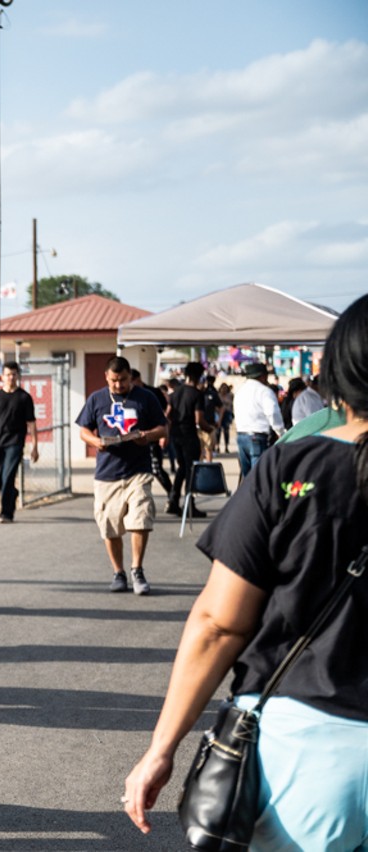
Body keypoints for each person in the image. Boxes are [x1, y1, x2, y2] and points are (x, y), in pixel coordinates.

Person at [123, 293, 368, 850]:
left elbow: (219, 624)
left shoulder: (293, 466)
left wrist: (161, 748)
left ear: (342, 372)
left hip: (308, 752)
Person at [75, 356, 168, 596]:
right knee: (110, 525)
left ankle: (137, 568)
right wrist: (95, 441)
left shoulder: (145, 397)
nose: (119, 385)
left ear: (131, 377)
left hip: (138, 470)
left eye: (123, 380)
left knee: (141, 517)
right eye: (114, 380)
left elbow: (163, 428)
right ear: (107, 377)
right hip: (107, 473)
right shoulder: (96, 399)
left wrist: (145, 436)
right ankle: (119, 572)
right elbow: (83, 430)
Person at [0, 361, 39, 525]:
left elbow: (31, 423)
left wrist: (34, 447)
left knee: (7, 477)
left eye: (14, 374)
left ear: (18, 376)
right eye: (8, 374)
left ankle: (6, 513)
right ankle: (12, 494)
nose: (11, 377)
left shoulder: (24, 397)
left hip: (15, 443)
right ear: (2, 377)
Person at [164, 361, 211, 519]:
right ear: (199, 376)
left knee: (181, 468)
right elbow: (199, 420)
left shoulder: (175, 392)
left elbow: (167, 415)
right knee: (190, 470)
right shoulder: (197, 394)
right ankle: (189, 505)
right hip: (189, 435)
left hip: (176, 435)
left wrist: (167, 433)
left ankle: (173, 500)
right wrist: (210, 429)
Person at [233, 361, 285, 478]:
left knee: (248, 477)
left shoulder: (240, 391)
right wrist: (280, 432)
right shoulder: (264, 391)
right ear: (262, 376)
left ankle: (248, 496)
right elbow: (272, 412)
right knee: (259, 477)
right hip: (257, 437)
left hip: (241, 436)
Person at [216, 381, 234, 452]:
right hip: (219, 414)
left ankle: (226, 446)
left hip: (227, 413)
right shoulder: (218, 395)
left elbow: (232, 405)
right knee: (218, 431)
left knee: (226, 430)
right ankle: (217, 445)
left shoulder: (230, 395)